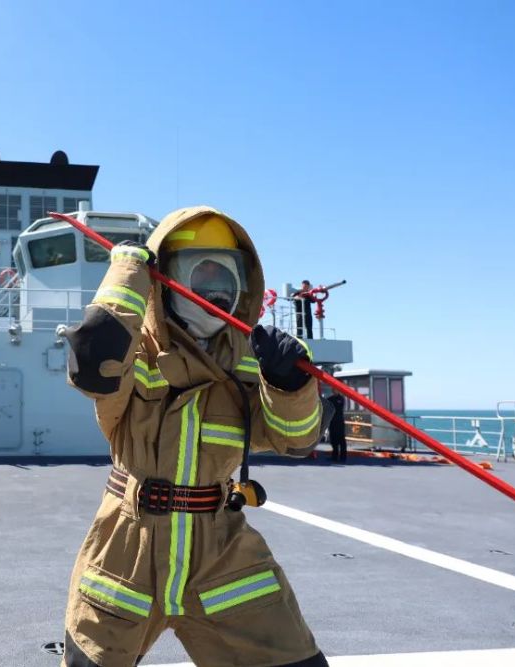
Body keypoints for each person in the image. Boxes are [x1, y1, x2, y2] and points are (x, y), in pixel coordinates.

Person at [61, 206, 328, 667]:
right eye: (199, 273)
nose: (214, 289)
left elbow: (296, 439)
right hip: (127, 547)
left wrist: (290, 384)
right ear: (167, 278)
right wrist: (127, 274)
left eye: (225, 275)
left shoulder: (248, 359)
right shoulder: (134, 348)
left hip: (221, 551)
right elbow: (93, 361)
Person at [327, 389, 347, 463]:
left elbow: (338, 407)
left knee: (341, 439)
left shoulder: (340, 399)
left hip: (339, 421)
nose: (334, 391)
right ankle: (334, 456)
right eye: (333, 390)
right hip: (332, 421)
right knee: (333, 439)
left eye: (336, 390)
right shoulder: (330, 399)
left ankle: (343, 456)